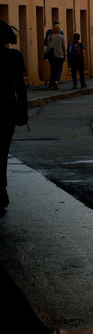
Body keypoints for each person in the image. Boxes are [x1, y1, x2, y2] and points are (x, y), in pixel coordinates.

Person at [0, 20, 28, 215]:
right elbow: (20, 86)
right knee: (2, 153)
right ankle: (1, 192)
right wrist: (23, 112)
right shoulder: (14, 56)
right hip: (6, 110)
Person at [48, 22, 66, 89]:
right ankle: (57, 80)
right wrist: (65, 56)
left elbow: (48, 45)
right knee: (59, 69)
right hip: (60, 56)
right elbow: (64, 48)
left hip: (52, 56)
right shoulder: (61, 37)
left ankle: (52, 81)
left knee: (53, 69)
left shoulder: (50, 36)